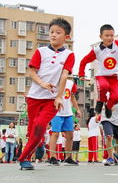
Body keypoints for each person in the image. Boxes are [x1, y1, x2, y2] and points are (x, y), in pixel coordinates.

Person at [18, 18, 75, 170]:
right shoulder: (41, 51)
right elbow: (31, 71)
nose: (53, 35)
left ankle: (23, 159)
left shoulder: (69, 55)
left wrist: (58, 97)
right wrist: (43, 84)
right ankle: (39, 143)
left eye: (58, 32)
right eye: (51, 32)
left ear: (66, 37)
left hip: (52, 100)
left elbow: (64, 76)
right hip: (34, 97)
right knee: (32, 131)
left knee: (40, 125)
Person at [79, 20, 118, 119]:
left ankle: (108, 106)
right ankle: (100, 101)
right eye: (107, 35)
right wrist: (81, 74)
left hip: (114, 78)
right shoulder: (96, 50)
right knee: (103, 86)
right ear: (101, 37)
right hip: (102, 76)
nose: (110, 38)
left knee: (117, 97)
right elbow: (84, 61)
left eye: (112, 35)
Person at [49, 78, 81, 166]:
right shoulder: (54, 81)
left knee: (70, 135)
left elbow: (72, 97)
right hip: (56, 112)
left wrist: (77, 109)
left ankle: (68, 157)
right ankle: (52, 156)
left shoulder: (71, 83)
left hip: (68, 113)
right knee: (55, 134)